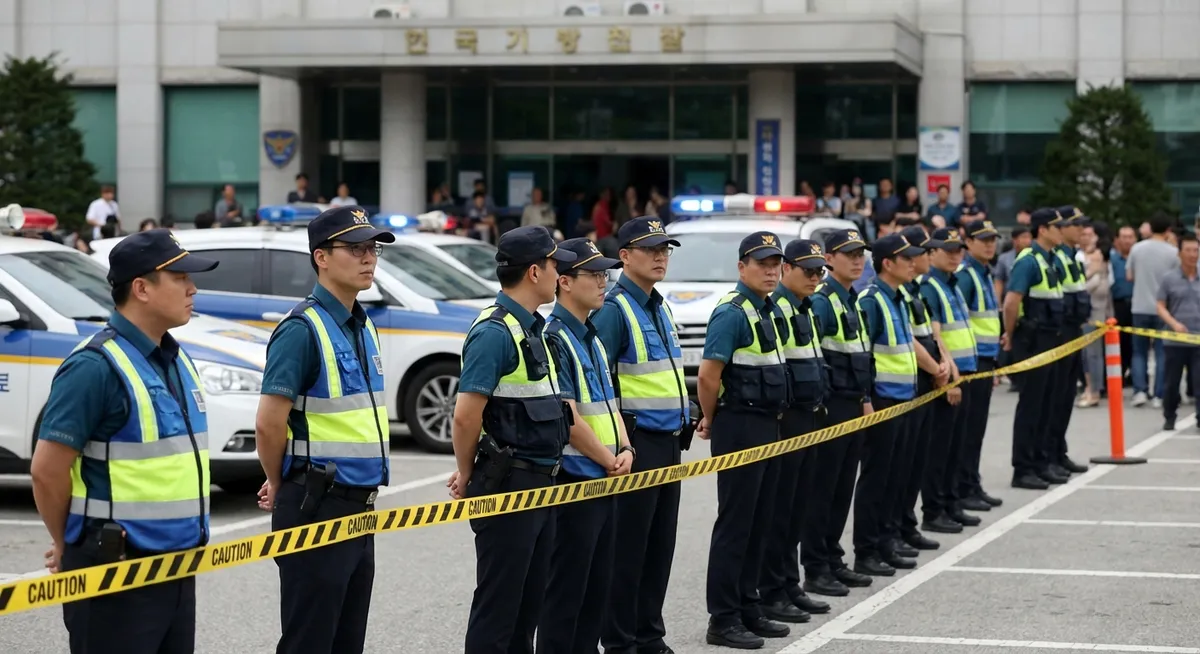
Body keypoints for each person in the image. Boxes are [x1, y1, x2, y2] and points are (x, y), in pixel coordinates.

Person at [30, 229, 219, 653]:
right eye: (180, 277)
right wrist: (69, 544)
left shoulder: (174, 358)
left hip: (173, 568)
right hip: (113, 571)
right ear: (141, 288)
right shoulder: (94, 367)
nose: (192, 287)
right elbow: (46, 471)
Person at [255, 206, 394, 654]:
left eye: (372, 249)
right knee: (310, 640)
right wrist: (280, 481)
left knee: (346, 640)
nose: (368, 258)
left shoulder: (362, 325)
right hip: (317, 504)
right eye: (355, 249)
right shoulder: (302, 329)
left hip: (359, 506)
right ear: (321, 257)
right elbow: (269, 422)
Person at [448, 225, 575, 654]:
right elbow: (466, 417)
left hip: (541, 481)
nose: (561, 272)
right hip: (509, 484)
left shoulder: (532, 328)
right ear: (535, 271)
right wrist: (466, 474)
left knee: (528, 605)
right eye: (555, 264)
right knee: (500, 607)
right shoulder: (495, 332)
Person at [593, 217, 692, 654]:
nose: (660, 256)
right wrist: (619, 443)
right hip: (637, 443)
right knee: (628, 550)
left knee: (659, 548)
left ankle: (649, 636)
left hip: (669, 441)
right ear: (625, 256)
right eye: (650, 249)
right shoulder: (615, 310)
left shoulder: (659, 305)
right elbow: (601, 380)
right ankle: (620, 641)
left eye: (665, 249)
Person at [698, 232, 794, 649]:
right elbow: (708, 375)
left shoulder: (767, 309)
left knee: (760, 521)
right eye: (762, 263)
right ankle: (723, 617)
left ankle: (748, 605)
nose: (771, 270)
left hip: (767, 424)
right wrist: (710, 417)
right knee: (737, 524)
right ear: (742, 267)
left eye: (775, 263)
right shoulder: (732, 312)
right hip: (739, 424)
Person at [537, 238, 632, 654]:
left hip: (606, 477)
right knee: (566, 594)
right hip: (577, 482)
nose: (603, 281)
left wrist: (626, 448)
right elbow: (569, 417)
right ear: (564, 282)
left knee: (598, 587)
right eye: (593, 274)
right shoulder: (555, 337)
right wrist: (610, 458)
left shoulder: (591, 336)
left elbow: (610, 401)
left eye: (604, 273)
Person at [757, 239, 833, 620]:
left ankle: (789, 583)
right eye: (809, 270)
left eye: (821, 271)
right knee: (780, 511)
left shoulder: (805, 307)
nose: (817, 278)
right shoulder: (780, 308)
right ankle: (773, 589)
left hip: (811, 416)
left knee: (797, 507)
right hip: (789, 421)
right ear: (787, 270)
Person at [801, 229, 875, 597]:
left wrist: (863, 398)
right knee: (823, 489)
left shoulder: (853, 299)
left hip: (852, 403)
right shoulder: (823, 301)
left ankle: (831, 558)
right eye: (849, 254)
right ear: (828, 259)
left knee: (842, 487)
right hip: (831, 407)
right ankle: (815, 566)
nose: (858, 260)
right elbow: (818, 360)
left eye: (861, 253)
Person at [852, 234, 925, 576]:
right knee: (877, 477)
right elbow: (864, 356)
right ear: (887, 264)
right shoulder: (871, 300)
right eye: (906, 258)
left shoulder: (897, 297)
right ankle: (867, 549)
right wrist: (866, 399)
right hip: (883, 401)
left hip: (904, 399)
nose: (913, 263)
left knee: (897, 475)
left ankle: (888, 539)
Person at [919, 227, 980, 532]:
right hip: (949, 376)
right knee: (940, 449)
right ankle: (935, 510)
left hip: (965, 371)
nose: (956, 255)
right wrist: (950, 380)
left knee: (956, 445)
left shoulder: (952, 284)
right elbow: (935, 335)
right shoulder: (931, 286)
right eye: (949, 250)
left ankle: (952, 503)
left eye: (959, 249)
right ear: (931, 253)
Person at [1003, 209, 1066, 489]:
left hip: (1050, 338)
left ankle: (1040, 462)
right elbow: (1011, 302)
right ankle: (1023, 468)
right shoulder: (1028, 260)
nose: (1062, 230)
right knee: (1031, 405)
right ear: (1043, 229)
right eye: (1057, 226)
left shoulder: (1051, 259)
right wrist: (1010, 334)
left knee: (1046, 403)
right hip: (1032, 340)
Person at [896, 226, 950, 551]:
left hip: (925, 379)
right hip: (909, 382)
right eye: (921, 252)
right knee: (899, 466)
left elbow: (931, 333)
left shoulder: (915, 289)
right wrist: (937, 367)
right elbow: (908, 339)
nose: (928, 256)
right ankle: (892, 532)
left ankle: (906, 526)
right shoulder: (897, 293)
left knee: (915, 461)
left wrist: (942, 366)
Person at [956, 220, 1005, 510]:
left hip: (985, 360)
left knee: (977, 429)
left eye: (992, 239)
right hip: (970, 363)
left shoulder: (984, 272)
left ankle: (972, 483)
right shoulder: (966, 276)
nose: (989, 244)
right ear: (969, 242)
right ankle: (964, 488)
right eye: (983, 239)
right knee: (968, 431)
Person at [1047, 207, 1091, 476]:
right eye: (1076, 225)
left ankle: (1057, 452)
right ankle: (1048, 456)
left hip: (1073, 331)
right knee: (1054, 399)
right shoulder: (1058, 258)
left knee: (1065, 398)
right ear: (1062, 228)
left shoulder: (1072, 256)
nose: (1081, 230)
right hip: (1060, 333)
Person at [1128, 213, 1177, 407]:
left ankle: (1140, 391)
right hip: (1163, 307)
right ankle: (1159, 394)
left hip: (1139, 305)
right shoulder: (1173, 252)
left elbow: (1129, 275)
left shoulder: (1137, 249)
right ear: (1167, 230)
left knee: (1139, 351)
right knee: (1161, 352)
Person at [1155, 232, 1200, 431]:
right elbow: (1160, 305)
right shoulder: (1169, 279)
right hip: (1175, 340)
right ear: (1179, 253)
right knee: (1171, 383)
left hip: (1198, 339)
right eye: (1188, 250)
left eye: (1196, 250)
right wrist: (1173, 323)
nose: (1193, 254)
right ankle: (1169, 416)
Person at [1110, 225, 1136, 383]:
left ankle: (1135, 375)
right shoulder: (1112, 259)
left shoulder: (1140, 257)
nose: (1127, 240)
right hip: (1117, 304)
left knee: (1136, 342)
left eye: (1130, 236)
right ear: (1117, 240)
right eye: (1123, 237)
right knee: (1119, 341)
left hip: (1136, 303)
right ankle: (1120, 373)